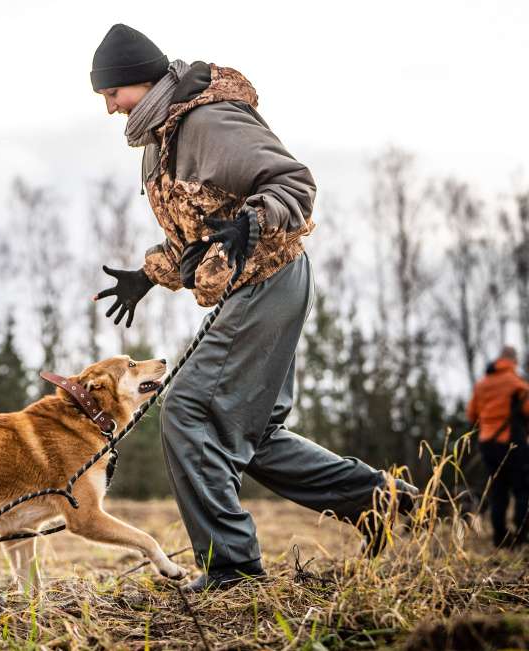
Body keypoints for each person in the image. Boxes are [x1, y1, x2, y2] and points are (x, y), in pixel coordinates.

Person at [89, 24, 418, 590]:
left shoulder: (207, 122)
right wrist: (148, 275)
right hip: (252, 288)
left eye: (110, 93)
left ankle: (231, 568)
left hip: (271, 277)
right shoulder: (159, 146)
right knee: (253, 434)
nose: (109, 107)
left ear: (137, 81)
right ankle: (380, 501)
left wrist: (252, 221)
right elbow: (195, 239)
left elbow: (293, 183)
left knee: (190, 411)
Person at [467, 345, 529, 547]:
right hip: (511, 443)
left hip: (487, 444)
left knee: (498, 490)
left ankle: (500, 537)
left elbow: (471, 414)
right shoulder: (516, 383)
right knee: (522, 489)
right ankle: (521, 535)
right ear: (513, 360)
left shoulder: (481, 384)